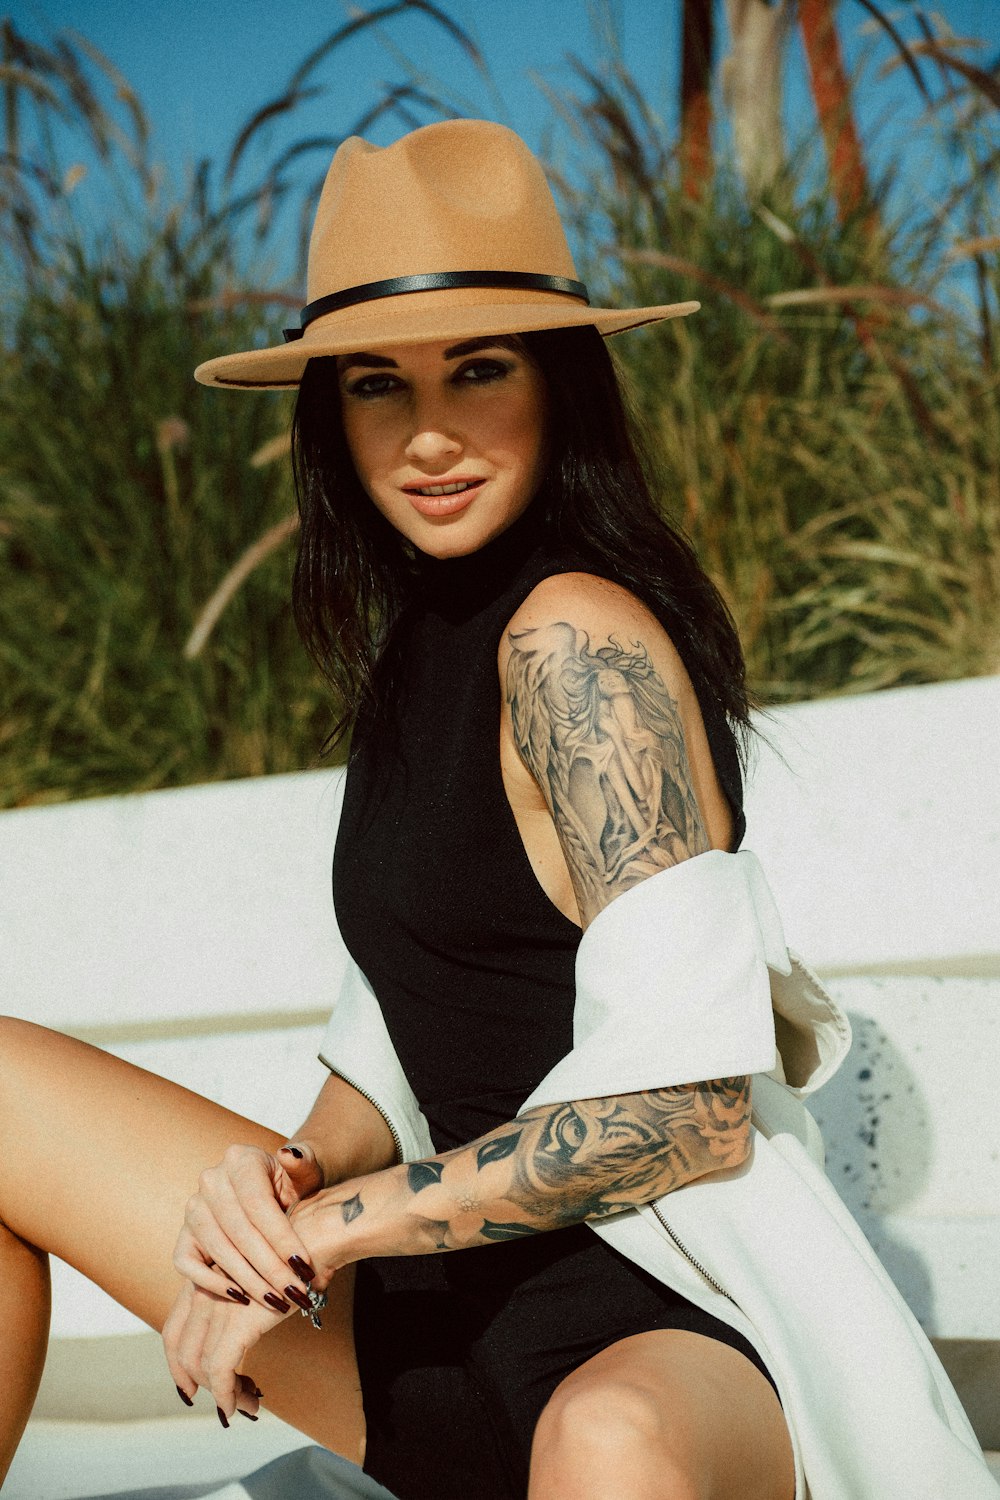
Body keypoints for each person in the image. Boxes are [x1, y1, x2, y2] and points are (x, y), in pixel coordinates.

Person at [1, 120, 996, 1500]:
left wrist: (329, 1234)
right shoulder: (420, 648)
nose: (426, 438)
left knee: (607, 1442)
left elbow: (685, 1115)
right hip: (436, 1317)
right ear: (328, 414)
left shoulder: (574, 641)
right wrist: (281, 1184)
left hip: (652, 1322)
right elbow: (418, 1015)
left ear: (560, 384)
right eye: (372, 387)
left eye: (480, 371)